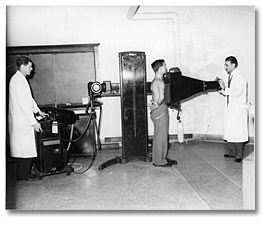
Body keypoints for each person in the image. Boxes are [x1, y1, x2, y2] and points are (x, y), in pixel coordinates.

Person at [9, 56, 47, 181]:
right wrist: (34, 122)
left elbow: (29, 100)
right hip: (22, 121)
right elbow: (23, 105)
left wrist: (38, 111)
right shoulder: (17, 81)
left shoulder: (21, 80)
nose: (32, 69)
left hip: (23, 119)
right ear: (23, 66)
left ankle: (24, 173)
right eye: (30, 66)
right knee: (24, 149)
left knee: (24, 149)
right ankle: (23, 175)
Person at [218, 56, 248, 163]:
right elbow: (229, 90)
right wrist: (222, 87)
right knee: (230, 130)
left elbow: (236, 92)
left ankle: (239, 155)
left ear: (233, 65)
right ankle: (232, 152)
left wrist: (225, 88)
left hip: (237, 109)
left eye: (227, 65)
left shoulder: (239, 76)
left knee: (238, 131)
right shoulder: (231, 76)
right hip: (230, 108)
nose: (225, 67)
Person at [150, 59, 174, 167]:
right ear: (160, 68)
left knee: (158, 135)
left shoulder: (154, 81)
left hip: (156, 111)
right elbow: (162, 97)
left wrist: (155, 104)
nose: (166, 67)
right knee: (161, 136)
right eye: (164, 65)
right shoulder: (160, 82)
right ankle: (159, 161)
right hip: (160, 110)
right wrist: (158, 104)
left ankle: (159, 158)